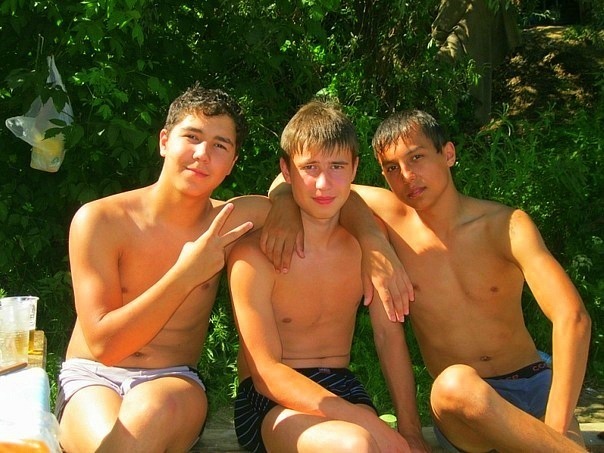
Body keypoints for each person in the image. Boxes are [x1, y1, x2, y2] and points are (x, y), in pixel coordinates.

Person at [265, 109, 591, 451]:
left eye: (416, 158)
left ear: (447, 154)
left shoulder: (505, 226)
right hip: (461, 408)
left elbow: (572, 318)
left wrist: (555, 433)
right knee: (454, 384)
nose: (407, 176)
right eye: (392, 168)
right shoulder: (392, 219)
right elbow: (291, 180)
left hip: (536, 386)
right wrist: (368, 238)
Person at [55, 84, 279, 453]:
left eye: (220, 145)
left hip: (173, 381)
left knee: (150, 411)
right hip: (92, 376)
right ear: (164, 141)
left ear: (232, 163)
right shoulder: (100, 220)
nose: (202, 154)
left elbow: (316, 192)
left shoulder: (231, 219)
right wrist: (186, 274)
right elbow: (105, 347)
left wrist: (367, 236)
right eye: (192, 137)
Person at [227, 100, 428, 452]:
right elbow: (266, 373)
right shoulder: (254, 254)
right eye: (310, 167)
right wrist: (370, 422)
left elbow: (388, 337)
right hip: (270, 398)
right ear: (286, 172)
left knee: (368, 444)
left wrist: (410, 432)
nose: (323, 183)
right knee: (354, 444)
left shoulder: (369, 249)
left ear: (354, 169)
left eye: (337, 166)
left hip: (342, 385)